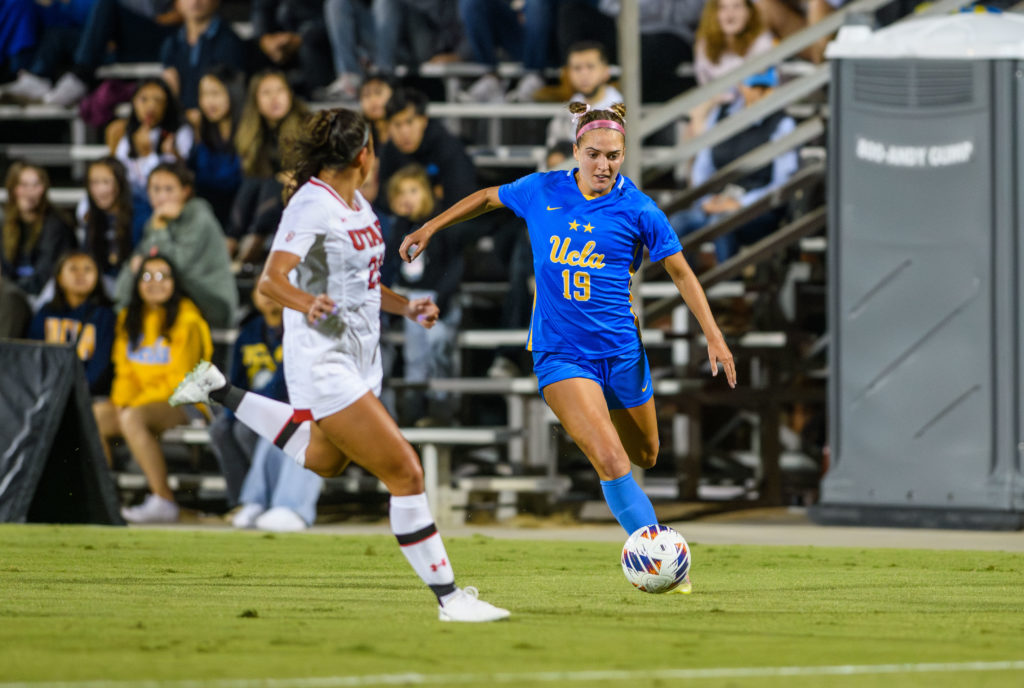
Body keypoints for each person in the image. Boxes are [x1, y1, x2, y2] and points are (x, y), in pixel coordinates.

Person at [169, 107, 509, 622]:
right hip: (322, 359)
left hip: (359, 354)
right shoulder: (310, 204)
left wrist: (407, 307)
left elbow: (366, 283)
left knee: (325, 461)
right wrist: (307, 302)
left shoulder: (359, 204)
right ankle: (450, 598)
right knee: (406, 471)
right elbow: (270, 281)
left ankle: (218, 390)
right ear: (363, 155)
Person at [400, 102, 737, 592]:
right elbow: (488, 197)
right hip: (561, 354)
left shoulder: (640, 209)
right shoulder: (542, 189)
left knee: (645, 454)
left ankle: (643, 527)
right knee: (612, 460)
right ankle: (661, 563)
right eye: (594, 154)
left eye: (613, 156)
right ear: (576, 150)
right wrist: (430, 227)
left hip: (622, 353)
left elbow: (681, 273)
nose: (603, 165)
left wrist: (714, 335)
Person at [100, 253, 213, 522]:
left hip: (185, 402)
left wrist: (133, 405)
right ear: (137, 283)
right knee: (94, 416)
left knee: (132, 418)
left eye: (163, 276)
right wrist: (123, 401)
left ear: (175, 282)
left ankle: (163, 499)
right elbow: (124, 371)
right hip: (140, 402)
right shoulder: (128, 317)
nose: (155, 282)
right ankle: (105, 499)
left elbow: (180, 380)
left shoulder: (187, 319)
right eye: (147, 276)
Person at [211, 285, 323, 532]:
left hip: (297, 403)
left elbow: (286, 382)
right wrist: (234, 406)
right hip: (263, 404)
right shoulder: (249, 331)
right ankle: (249, 501)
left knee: (269, 428)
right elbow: (236, 379)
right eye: (263, 289)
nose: (269, 296)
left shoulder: (301, 326)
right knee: (222, 428)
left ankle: (286, 505)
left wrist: (246, 405)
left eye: (275, 288)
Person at [669, 68, 798, 264]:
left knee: (722, 223)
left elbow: (782, 181)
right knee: (677, 223)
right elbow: (703, 167)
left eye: (765, 88)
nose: (759, 93)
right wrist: (707, 199)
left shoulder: (782, 123)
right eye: (754, 86)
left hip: (759, 208)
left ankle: (728, 282)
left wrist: (742, 203)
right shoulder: (720, 115)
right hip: (718, 200)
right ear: (741, 86)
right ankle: (679, 282)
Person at [384, 164, 463, 425]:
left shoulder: (439, 223)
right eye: (400, 193)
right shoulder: (400, 227)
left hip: (439, 300)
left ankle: (442, 407)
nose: (407, 198)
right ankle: (415, 410)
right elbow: (392, 262)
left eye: (413, 191)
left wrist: (442, 299)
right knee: (415, 356)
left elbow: (455, 263)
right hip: (412, 299)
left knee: (438, 348)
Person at [114, 162, 237, 328]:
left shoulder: (198, 215)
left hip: (213, 302)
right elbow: (136, 262)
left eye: (169, 189)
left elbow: (174, 265)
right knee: (136, 268)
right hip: (178, 297)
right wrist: (120, 306)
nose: (162, 196)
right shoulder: (156, 219)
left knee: (156, 276)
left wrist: (159, 229)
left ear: (185, 191)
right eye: (156, 189)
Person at [230, 70, 310, 266]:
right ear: (255, 99)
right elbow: (253, 173)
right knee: (253, 184)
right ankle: (232, 241)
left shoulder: (307, 125)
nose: (275, 98)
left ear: (289, 94)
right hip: (268, 198)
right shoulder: (251, 132)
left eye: (280, 91)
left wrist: (297, 177)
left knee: (273, 184)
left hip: (302, 195)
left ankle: (251, 244)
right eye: (266, 92)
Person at [105, 77, 193, 226]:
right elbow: (120, 173)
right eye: (144, 99)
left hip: (164, 200)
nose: (150, 107)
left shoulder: (179, 132)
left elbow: (179, 176)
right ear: (134, 102)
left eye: (158, 101)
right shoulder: (127, 133)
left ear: (168, 104)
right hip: (132, 200)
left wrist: (154, 153)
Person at [29, 251, 117, 400]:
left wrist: (75, 393)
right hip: (45, 392)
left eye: (88, 269)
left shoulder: (105, 316)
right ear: (59, 278)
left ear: (98, 277)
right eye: (73, 269)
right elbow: (32, 355)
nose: (81, 274)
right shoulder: (45, 313)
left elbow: (100, 365)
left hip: (86, 396)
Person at [378, 88, 477, 215]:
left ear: (424, 120)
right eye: (397, 125)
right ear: (388, 126)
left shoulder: (448, 147)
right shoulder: (389, 151)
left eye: (409, 122)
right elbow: (383, 200)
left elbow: (462, 200)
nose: (404, 132)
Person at [691, 0, 774, 136]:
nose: (730, 14)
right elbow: (704, 83)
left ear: (749, 11)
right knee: (698, 115)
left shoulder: (761, 41)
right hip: (716, 106)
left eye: (737, 6)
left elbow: (758, 84)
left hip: (749, 105)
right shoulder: (705, 45)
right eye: (723, 8)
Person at [1, 162, 76, 301]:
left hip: (46, 295)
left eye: (36, 185)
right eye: (23, 185)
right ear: (13, 189)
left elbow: (45, 275)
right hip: (12, 294)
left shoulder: (56, 224)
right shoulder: (5, 223)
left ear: (44, 189)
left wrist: (11, 291)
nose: (30, 192)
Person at [159, 0, 245, 119]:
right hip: (182, 120)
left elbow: (233, 93)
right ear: (176, 3)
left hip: (218, 120)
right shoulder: (171, 43)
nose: (195, 2)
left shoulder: (230, 41)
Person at [187, 65, 244, 230]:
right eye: (203, 94)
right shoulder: (199, 133)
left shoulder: (249, 131)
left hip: (240, 217)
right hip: (206, 218)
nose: (208, 102)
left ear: (233, 92)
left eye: (215, 93)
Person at [77, 157, 138, 294]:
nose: (100, 190)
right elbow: (86, 257)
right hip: (100, 284)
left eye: (106, 182)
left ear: (120, 183)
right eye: (94, 182)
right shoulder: (92, 217)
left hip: (131, 285)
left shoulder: (139, 213)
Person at [545, 41, 622, 149]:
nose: (584, 74)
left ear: (606, 71)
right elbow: (553, 150)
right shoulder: (567, 111)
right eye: (577, 68)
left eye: (590, 67)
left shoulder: (623, 110)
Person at [250, 0, 332, 99]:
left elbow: (328, 19)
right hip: (279, 40)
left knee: (310, 44)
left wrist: (298, 38)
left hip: (313, 39)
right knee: (255, 46)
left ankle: (316, 92)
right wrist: (266, 40)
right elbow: (261, 10)